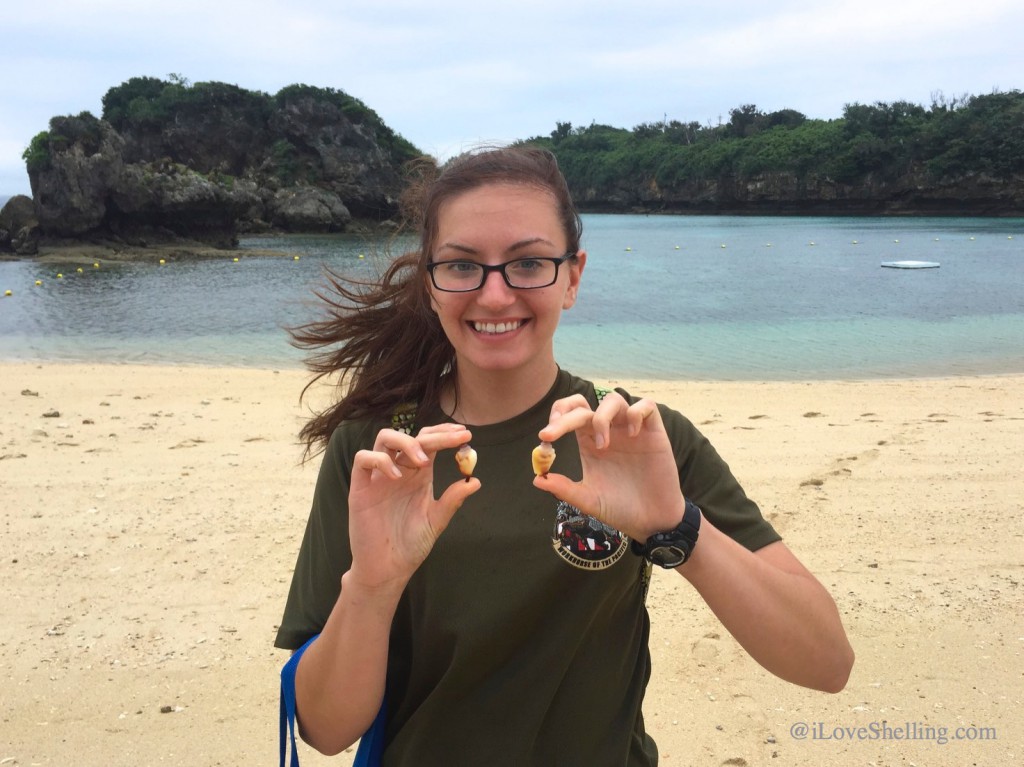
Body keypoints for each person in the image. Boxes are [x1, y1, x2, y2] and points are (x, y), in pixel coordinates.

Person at [275, 146, 854, 765]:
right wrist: (374, 586)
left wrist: (676, 529)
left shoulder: (634, 438)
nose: (495, 296)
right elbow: (326, 728)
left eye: (528, 264)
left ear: (572, 277)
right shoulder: (381, 451)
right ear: (432, 283)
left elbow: (825, 661)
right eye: (463, 266)